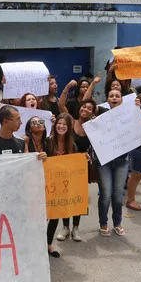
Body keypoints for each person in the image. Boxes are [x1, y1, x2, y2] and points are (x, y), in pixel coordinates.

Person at [57, 98, 97, 242]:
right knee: (65, 197)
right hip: (65, 165)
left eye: (89, 108)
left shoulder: (94, 127)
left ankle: (75, 228)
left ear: (93, 112)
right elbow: (61, 105)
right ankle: (65, 227)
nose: (85, 110)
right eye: (83, 107)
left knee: (78, 198)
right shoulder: (71, 122)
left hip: (81, 167)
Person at [96, 89, 129, 236]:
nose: (114, 98)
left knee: (118, 194)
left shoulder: (129, 114)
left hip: (122, 160)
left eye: (117, 96)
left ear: (122, 99)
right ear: (107, 99)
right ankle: (103, 223)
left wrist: (137, 105)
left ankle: (117, 223)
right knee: (105, 194)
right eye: (111, 96)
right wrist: (94, 84)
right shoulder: (101, 113)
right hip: (104, 160)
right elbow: (85, 103)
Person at [44, 112, 77, 257]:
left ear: (69, 128)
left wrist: (83, 159)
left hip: (62, 186)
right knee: (41, 216)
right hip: (46, 185)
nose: (61, 126)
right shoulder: (47, 142)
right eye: (59, 123)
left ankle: (48, 244)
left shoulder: (72, 146)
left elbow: (75, 166)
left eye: (64, 124)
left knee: (55, 216)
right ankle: (36, 243)